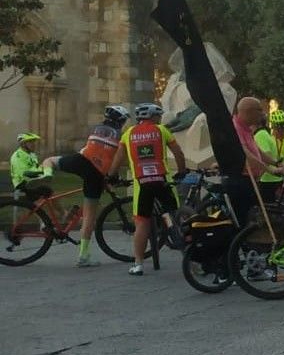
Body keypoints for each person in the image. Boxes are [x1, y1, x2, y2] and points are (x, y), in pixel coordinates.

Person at [42, 105, 132, 267]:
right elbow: (113, 161)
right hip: (97, 173)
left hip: (81, 161)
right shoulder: (120, 136)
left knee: (49, 161)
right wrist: (112, 178)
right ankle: (83, 255)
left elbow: (92, 149)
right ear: (121, 121)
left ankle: (47, 176)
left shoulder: (96, 129)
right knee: (90, 215)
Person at [107, 103, 187, 276]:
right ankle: (189, 258)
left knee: (141, 223)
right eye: (158, 116)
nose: (159, 118)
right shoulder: (161, 130)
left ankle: (138, 264)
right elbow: (178, 152)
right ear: (153, 116)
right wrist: (181, 172)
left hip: (141, 183)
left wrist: (112, 176)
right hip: (162, 180)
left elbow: (118, 158)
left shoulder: (128, 134)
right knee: (172, 216)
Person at [228, 97, 284, 220]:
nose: (263, 113)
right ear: (248, 111)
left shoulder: (247, 128)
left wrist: (275, 163)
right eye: (259, 110)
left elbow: (258, 150)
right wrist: (270, 170)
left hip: (251, 179)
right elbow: (246, 154)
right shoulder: (235, 128)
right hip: (240, 179)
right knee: (241, 217)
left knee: (251, 213)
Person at [11, 133, 53, 204]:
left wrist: (45, 168)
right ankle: (63, 213)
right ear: (23, 144)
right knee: (47, 191)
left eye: (34, 141)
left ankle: (62, 213)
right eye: (30, 142)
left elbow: (35, 168)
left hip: (31, 182)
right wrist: (43, 171)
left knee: (48, 192)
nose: (34, 144)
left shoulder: (32, 155)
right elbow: (25, 173)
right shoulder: (18, 156)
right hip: (22, 185)